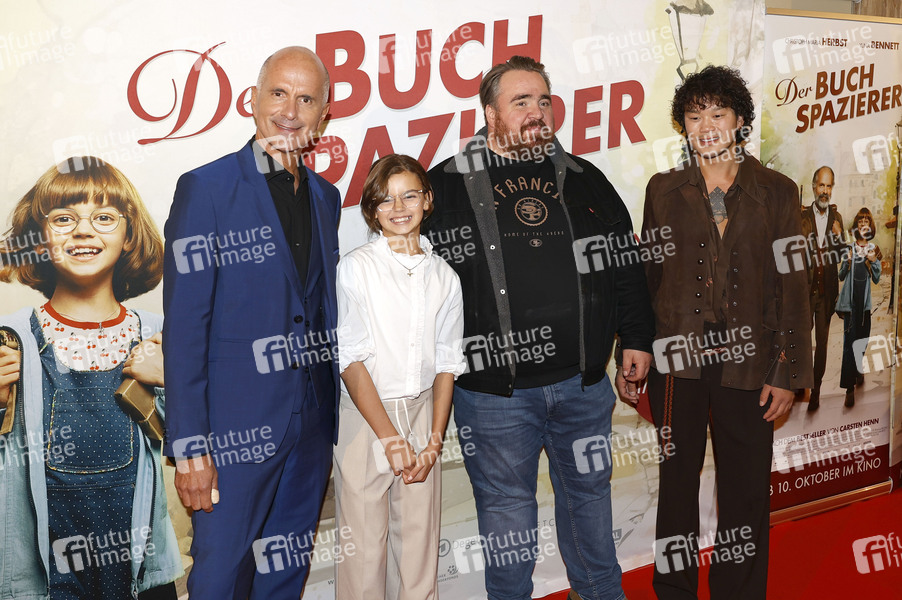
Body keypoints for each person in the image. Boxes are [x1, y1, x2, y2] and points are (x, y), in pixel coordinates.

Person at [426, 56, 655, 600]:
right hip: (494, 397)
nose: (537, 112)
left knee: (591, 506)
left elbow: (624, 264)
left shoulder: (585, 179)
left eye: (544, 101)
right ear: (489, 114)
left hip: (583, 386)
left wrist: (636, 338)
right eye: (521, 102)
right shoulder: (444, 186)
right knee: (507, 522)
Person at [161, 46, 340, 598]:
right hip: (232, 435)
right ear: (252, 100)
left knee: (285, 575)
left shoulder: (326, 198)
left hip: (310, 428)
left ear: (323, 115)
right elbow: (184, 330)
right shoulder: (207, 188)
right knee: (220, 578)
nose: (290, 111)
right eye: (278, 93)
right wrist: (190, 446)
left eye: (306, 99)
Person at [635, 66, 812, 599]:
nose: (707, 126)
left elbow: (794, 287)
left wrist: (786, 369)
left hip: (752, 360)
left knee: (746, 488)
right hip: (678, 358)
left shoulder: (778, 191)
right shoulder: (663, 189)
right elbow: (648, 278)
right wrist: (636, 347)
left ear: (739, 121)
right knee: (676, 486)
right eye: (695, 116)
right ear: (683, 126)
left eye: (718, 113)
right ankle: (675, 591)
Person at [0, 157, 182, 599]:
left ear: (129, 235)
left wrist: (175, 385)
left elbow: (202, 448)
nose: (83, 231)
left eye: (104, 217)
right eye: (63, 219)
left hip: (138, 570)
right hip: (43, 579)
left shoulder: (161, 337)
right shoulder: (11, 338)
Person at [334, 154, 465, 600]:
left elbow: (447, 363)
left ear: (427, 200)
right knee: (363, 556)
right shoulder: (357, 267)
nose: (398, 207)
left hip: (424, 411)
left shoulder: (445, 276)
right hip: (365, 417)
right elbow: (350, 359)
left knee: (418, 551)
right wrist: (390, 438)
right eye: (385, 199)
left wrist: (434, 441)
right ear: (371, 210)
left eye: (409, 195)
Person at [800, 166, 844, 411]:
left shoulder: (837, 219)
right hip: (806, 292)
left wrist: (839, 236)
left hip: (826, 293)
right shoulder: (802, 217)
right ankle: (802, 384)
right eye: (821, 185)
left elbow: (842, 254)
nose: (824, 191)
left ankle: (815, 390)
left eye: (829, 186)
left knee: (822, 344)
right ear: (814, 186)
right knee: (802, 341)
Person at [836, 207, 881, 408]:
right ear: (856, 226)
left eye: (866, 221)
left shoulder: (873, 249)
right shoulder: (850, 248)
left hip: (864, 306)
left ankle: (858, 370)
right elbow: (841, 276)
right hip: (850, 306)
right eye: (860, 221)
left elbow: (877, 278)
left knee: (862, 341)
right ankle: (849, 389)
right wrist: (846, 263)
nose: (863, 224)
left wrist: (874, 261)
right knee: (849, 345)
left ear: (870, 226)